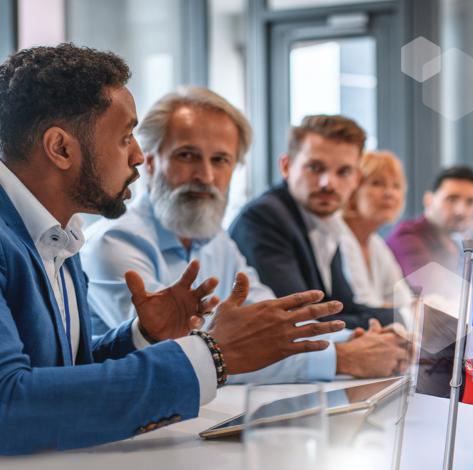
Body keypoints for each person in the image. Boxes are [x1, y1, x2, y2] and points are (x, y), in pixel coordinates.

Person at [0, 44, 344, 455]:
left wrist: (141, 336)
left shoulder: (60, 232)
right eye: (126, 136)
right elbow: (10, 405)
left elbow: (65, 376)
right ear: (60, 148)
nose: (138, 156)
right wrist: (213, 353)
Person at [82, 87, 407, 381]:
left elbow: (271, 322)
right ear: (150, 161)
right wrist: (342, 357)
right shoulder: (115, 243)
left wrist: (358, 341)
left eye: (221, 160)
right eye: (187, 156)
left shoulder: (216, 240)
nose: (205, 175)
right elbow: (182, 354)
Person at [230, 115, 394, 329]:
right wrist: (401, 320)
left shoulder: (326, 222)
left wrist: (405, 317)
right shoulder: (264, 218)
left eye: (343, 172)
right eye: (315, 168)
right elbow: (302, 320)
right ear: (286, 166)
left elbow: (341, 306)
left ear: (356, 179)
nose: (328, 183)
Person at [340, 150, 414, 309]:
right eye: (377, 183)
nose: (389, 193)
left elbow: (403, 300)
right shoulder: (338, 238)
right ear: (353, 190)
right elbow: (362, 307)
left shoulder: (376, 244)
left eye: (396, 186)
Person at [385, 166, 473, 277]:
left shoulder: (455, 245)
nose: (461, 210)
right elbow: (434, 288)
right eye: (451, 199)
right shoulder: (406, 237)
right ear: (428, 199)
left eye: (470, 202)